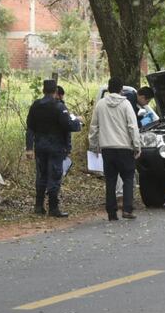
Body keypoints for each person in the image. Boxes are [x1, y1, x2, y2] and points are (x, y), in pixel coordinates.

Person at [89, 77, 141, 221]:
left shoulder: (100, 105)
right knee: (128, 178)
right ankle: (127, 209)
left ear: (108, 89)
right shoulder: (126, 105)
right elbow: (132, 126)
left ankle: (111, 212)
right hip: (125, 147)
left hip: (107, 148)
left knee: (110, 180)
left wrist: (93, 146)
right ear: (121, 90)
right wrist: (136, 145)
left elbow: (94, 127)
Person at [25, 80, 77, 217]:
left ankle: (38, 206)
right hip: (56, 147)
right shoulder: (59, 107)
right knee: (54, 176)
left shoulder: (36, 106)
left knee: (41, 176)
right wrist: (78, 122)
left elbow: (30, 128)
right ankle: (53, 208)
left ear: (43, 90)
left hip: (40, 146)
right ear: (55, 91)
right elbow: (69, 125)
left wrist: (29, 148)